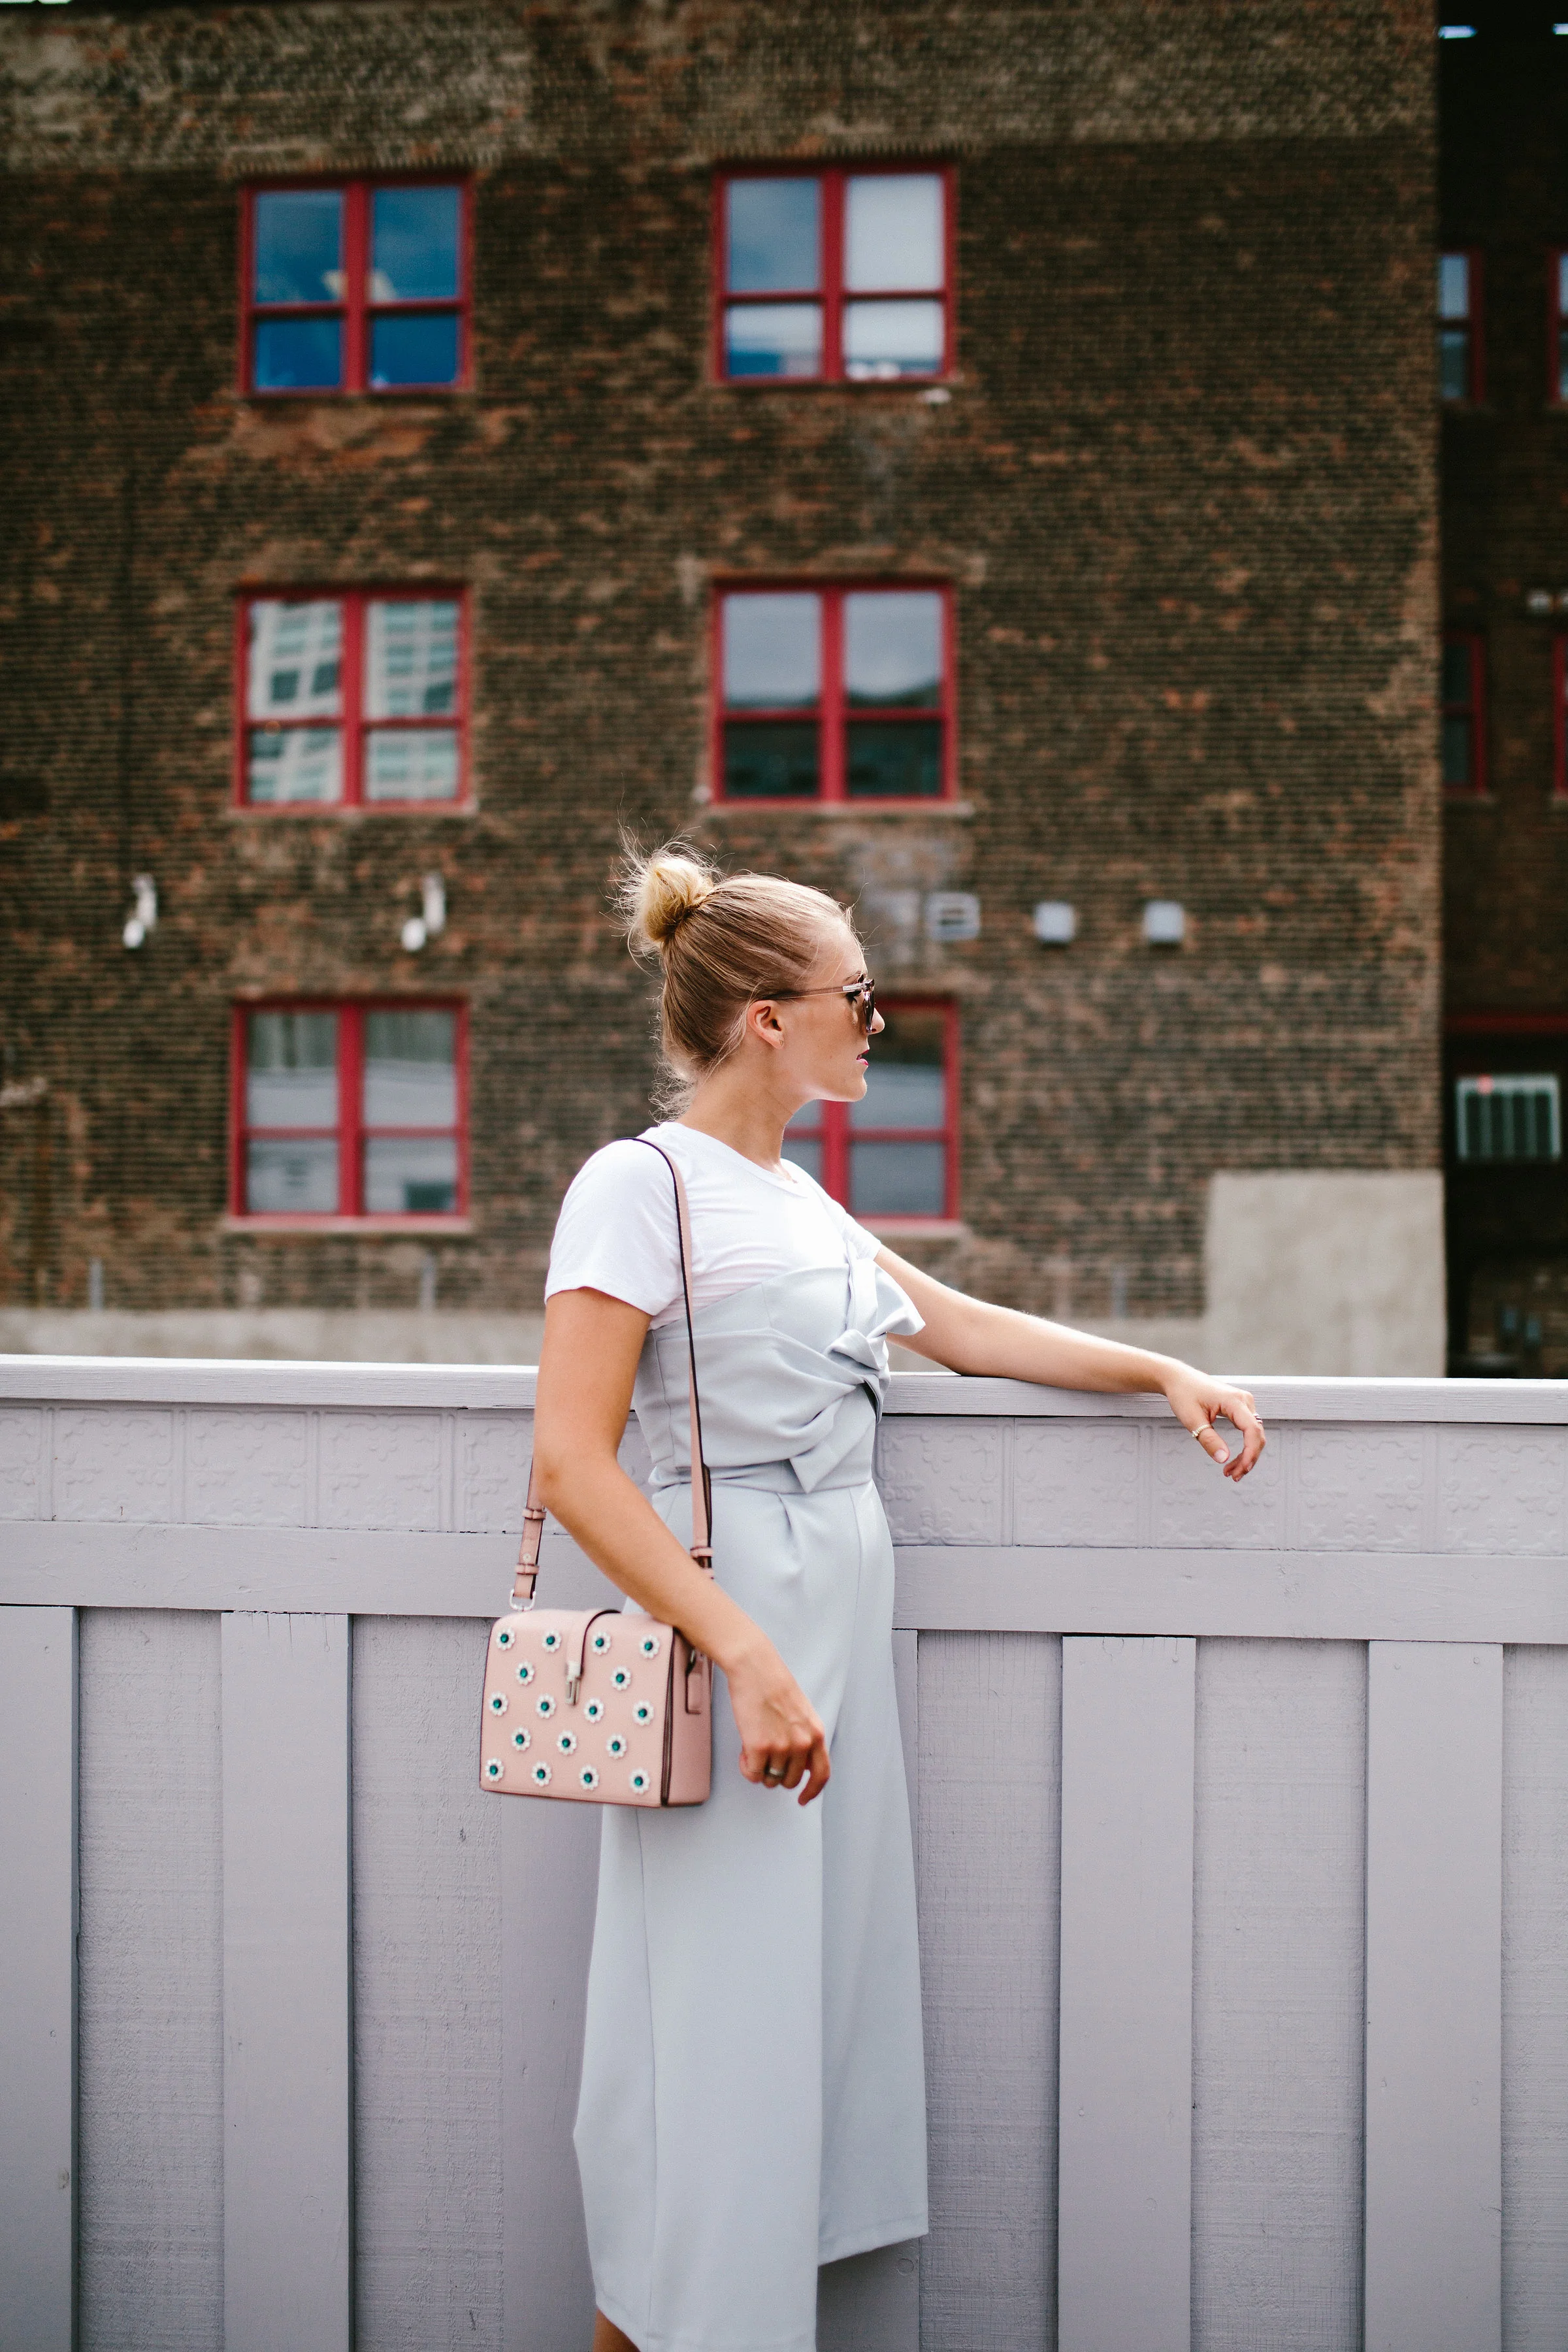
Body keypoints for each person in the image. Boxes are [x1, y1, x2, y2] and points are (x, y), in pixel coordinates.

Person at [532, 845, 1266, 2352]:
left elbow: (959, 1330)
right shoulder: (639, 1185)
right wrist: (744, 1653)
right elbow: (571, 1465)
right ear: (763, 1020)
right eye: (858, 996)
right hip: (741, 1649)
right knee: (714, 2041)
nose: (883, 1022)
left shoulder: (793, 1196)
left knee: (798, 2031)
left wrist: (1163, 1373)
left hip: (832, 1633)